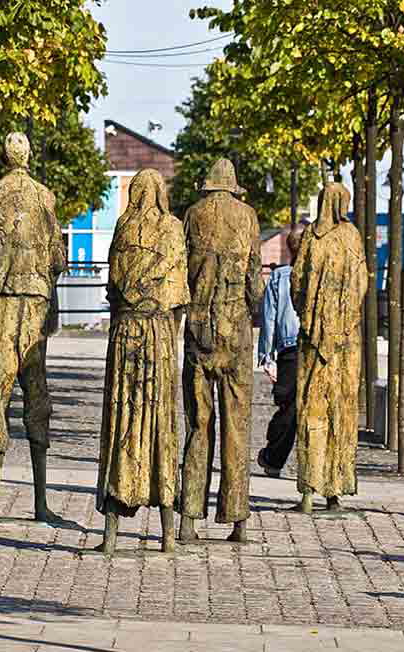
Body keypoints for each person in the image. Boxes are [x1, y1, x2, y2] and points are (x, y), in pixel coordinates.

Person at [94, 169, 190, 554]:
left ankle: (111, 535)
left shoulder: (122, 227)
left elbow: (113, 287)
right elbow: (179, 294)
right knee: (160, 423)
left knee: (122, 419)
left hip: (124, 335)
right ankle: (167, 535)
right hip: (158, 335)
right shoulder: (172, 228)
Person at [0, 132, 67, 522]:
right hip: (36, 303)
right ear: (28, 157)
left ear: (3, 157)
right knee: (36, 390)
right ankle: (40, 502)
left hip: (3, 300)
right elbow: (58, 260)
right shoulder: (45, 197)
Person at [178, 158, 264, 544]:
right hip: (236, 335)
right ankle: (237, 518)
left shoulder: (192, 215)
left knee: (198, 425)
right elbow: (255, 282)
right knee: (237, 426)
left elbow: (181, 273)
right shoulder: (248, 217)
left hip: (198, 334)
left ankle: (188, 518)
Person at [290, 181, 368, 513]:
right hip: (346, 342)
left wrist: (308, 315)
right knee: (342, 410)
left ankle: (308, 492)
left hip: (313, 339)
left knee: (311, 409)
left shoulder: (311, 236)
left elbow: (297, 281)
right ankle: (335, 493)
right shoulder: (352, 237)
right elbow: (362, 283)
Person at [256, 225, 304, 478]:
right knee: (295, 407)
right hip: (306, 346)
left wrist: (267, 355)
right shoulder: (286, 276)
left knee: (288, 406)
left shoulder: (280, 276)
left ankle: (273, 457)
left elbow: (269, 318)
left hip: (290, 348)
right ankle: (276, 458)